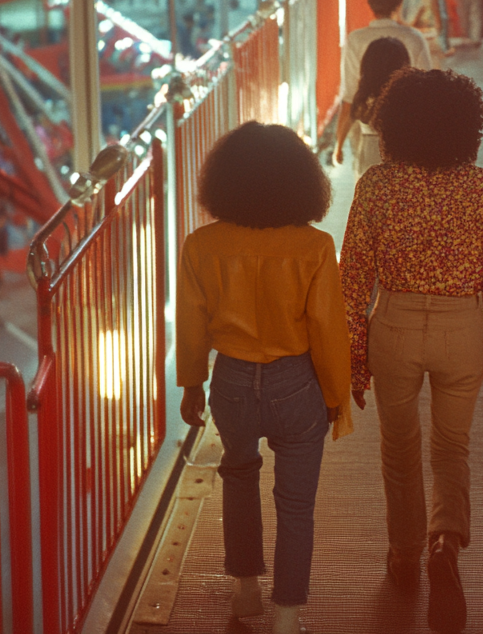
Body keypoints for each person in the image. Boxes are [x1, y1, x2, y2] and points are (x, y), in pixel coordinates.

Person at [339, 69, 483, 633]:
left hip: (392, 322)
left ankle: (403, 557)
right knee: (452, 448)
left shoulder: (376, 185)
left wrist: (354, 355)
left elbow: (353, 278)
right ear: (470, 125)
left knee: (399, 452)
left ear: (394, 124)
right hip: (462, 327)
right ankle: (446, 540)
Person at [176, 123, 352, 634]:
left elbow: (192, 324)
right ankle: (287, 615)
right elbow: (327, 330)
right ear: (301, 181)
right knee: (296, 505)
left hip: (230, 380)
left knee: (239, 475)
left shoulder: (201, 245)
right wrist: (336, 396)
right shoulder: (315, 247)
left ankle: (245, 590)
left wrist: (192, 384)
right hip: (295, 381)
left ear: (225, 181)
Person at [336, 0, 432, 167]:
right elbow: (427, 89)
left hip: (367, 127)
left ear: (370, 3)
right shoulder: (414, 38)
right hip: (407, 127)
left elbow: (349, 97)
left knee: (369, 185)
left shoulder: (356, 39)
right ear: (399, 3)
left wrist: (338, 144)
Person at [335, 37, 411, 175]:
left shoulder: (364, 95)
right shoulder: (407, 96)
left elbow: (348, 115)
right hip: (401, 159)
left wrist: (339, 146)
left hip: (368, 157)